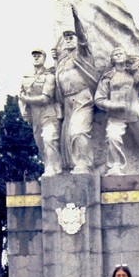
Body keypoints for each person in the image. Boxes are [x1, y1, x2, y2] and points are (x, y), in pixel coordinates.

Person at [94, 47, 139, 180]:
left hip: (134, 112)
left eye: (121, 53)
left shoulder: (134, 72)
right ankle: (116, 166)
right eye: (115, 54)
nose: (118, 56)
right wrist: (112, 105)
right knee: (112, 138)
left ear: (126, 56)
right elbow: (99, 99)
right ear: (112, 59)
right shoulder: (108, 77)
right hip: (116, 114)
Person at [53, 14, 97, 175]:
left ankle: (85, 163)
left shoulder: (83, 53)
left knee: (78, 131)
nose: (69, 39)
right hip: (66, 101)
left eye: (72, 36)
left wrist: (76, 18)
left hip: (82, 98)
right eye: (66, 38)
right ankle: (72, 164)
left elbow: (83, 36)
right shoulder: (63, 61)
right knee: (66, 138)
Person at [18, 49, 63, 177]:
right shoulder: (26, 78)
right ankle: (49, 165)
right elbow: (20, 96)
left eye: (39, 56)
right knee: (41, 144)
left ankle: (54, 168)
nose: (36, 58)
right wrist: (23, 111)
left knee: (49, 139)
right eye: (34, 56)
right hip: (35, 116)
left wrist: (27, 100)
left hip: (49, 113)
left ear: (44, 58)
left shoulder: (49, 76)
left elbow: (45, 98)